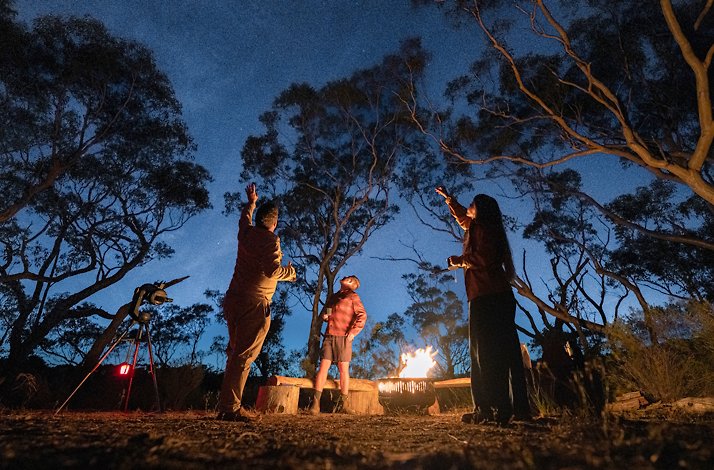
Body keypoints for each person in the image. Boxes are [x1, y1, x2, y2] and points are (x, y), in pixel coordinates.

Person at [436, 186, 530, 425]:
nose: (469, 207)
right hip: (492, 296)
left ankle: (493, 409)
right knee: (496, 353)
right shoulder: (480, 227)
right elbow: (462, 218)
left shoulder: (485, 230)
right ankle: (498, 408)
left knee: (485, 354)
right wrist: (449, 199)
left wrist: (460, 261)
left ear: (481, 210)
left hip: (488, 297)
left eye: (473, 204)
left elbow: (485, 259)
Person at [217, 183, 296, 422]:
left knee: (235, 355)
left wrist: (251, 201)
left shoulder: (246, 233)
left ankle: (226, 406)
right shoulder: (270, 240)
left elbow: (243, 217)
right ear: (275, 221)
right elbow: (272, 271)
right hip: (254, 304)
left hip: (233, 300)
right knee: (242, 357)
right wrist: (290, 273)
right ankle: (230, 409)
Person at [309, 275, 367, 415]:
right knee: (323, 367)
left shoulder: (353, 297)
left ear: (353, 285)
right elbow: (328, 309)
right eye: (347, 277)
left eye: (350, 279)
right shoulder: (334, 296)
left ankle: (344, 404)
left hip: (344, 338)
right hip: (329, 336)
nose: (346, 278)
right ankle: (315, 404)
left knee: (343, 370)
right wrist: (326, 316)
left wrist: (353, 332)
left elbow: (362, 315)